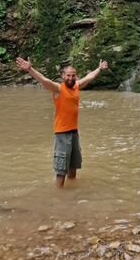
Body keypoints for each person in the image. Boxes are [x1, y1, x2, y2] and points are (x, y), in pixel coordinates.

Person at [15, 57, 109, 188]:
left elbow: (89, 77)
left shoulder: (76, 86)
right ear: (63, 76)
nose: (71, 78)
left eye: (73, 75)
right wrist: (30, 69)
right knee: (61, 169)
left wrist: (99, 69)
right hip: (62, 133)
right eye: (68, 75)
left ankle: (71, 194)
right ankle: (58, 196)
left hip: (74, 132)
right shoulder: (58, 89)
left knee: (73, 165)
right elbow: (44, 80)